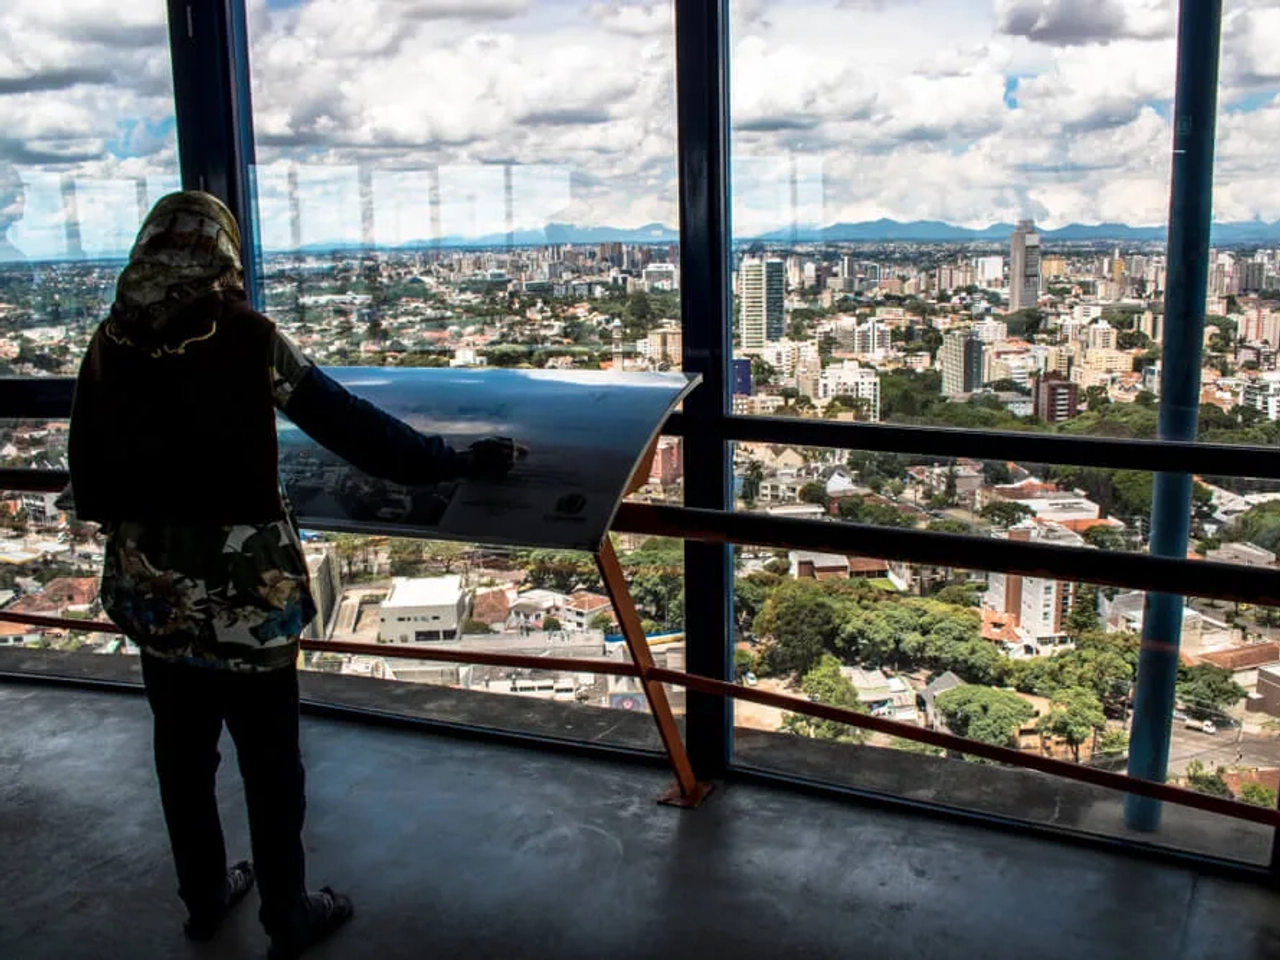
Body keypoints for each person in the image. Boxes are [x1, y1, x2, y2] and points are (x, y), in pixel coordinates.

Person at [67, 191, 519, 959]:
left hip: (156, 596)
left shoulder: (110, 340)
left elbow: (88, 473)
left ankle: (205, 898)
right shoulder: (244, 335)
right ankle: (288, 914)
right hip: (249, 600)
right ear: (223, 252)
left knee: (182, 758)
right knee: (271, 765)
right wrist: (455, 461)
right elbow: (356, 431)